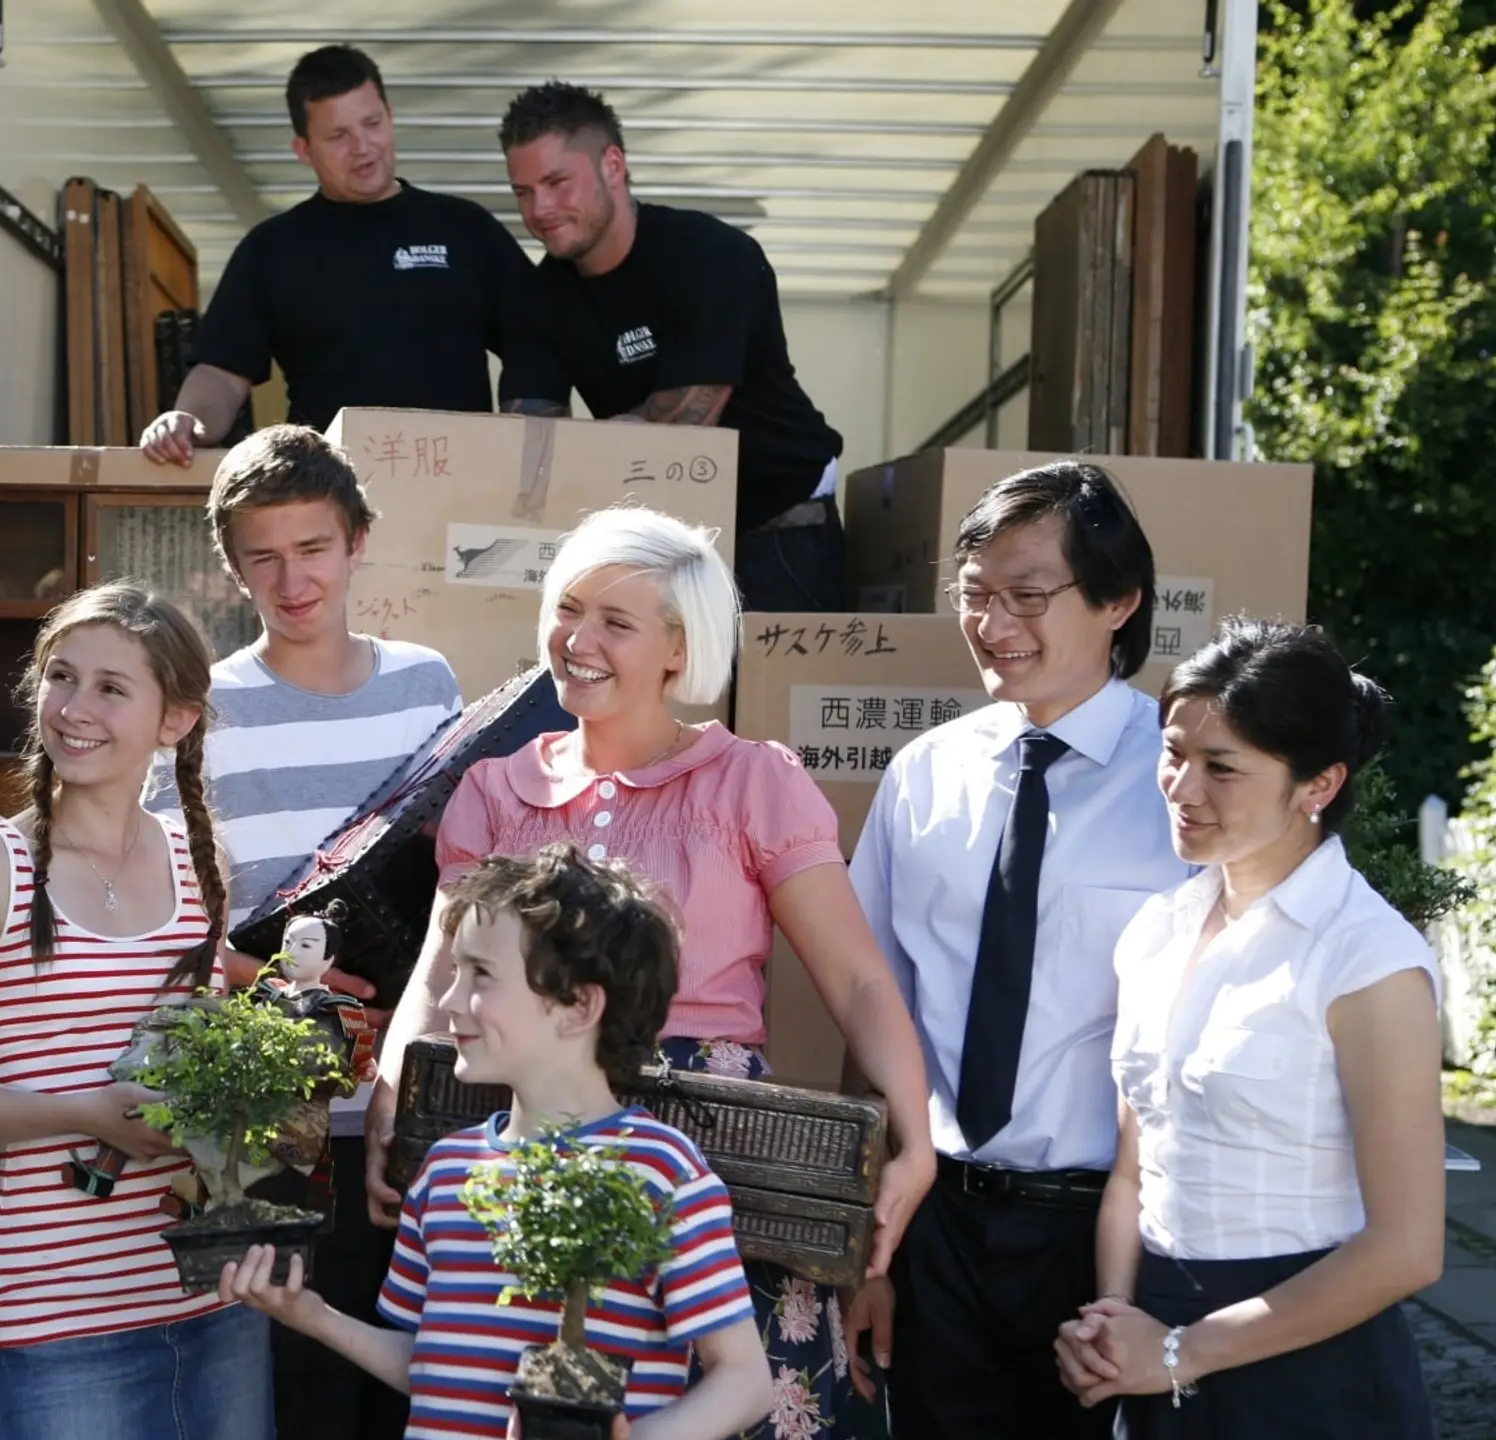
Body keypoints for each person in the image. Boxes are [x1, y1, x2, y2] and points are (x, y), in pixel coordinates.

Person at [363, 504, 937, 1439]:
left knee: (734, 1399)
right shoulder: (495, 787)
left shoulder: (753, 781)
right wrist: (397, 1089)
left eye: (616, 623)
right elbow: (440, 969)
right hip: (530, 1130)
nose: (578, 641)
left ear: (679, 647)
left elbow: (860, 981)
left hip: (721, 1146)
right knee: (526, 1389)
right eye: (569, 608)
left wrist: (914, 1140)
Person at [846, 461, 1194, 1439]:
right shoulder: (925, 776)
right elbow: (873, 1007)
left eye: (1028, 598)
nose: (995, 627)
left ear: (1118, 602)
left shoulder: (1179, 784)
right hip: (937, 1219)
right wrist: (863, 1255)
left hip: (1103, 1231)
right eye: (975, 597)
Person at [220, 844, 773, 1440]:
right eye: (455, 972)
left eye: (480, 974)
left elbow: (743, 1378)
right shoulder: (446, 1171)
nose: (451, 1000)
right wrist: (312, 1316)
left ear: (578, 1005)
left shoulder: (660, 1169)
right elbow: (435, 1365)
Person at [0, 583, 269, 1440]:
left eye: (110, 687)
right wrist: (85, 1113)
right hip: (57, 1320)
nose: (74, 709)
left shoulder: (197, 859)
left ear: (175, 720)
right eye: (61, 677)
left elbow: (204, 1070)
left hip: (215, 1292)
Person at [143, 424, 459, 1440]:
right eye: (263, 557)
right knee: (287, 1394)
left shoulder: (426, 685)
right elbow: (167, 904)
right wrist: (263, 980)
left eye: (313, 548)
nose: (292, 579)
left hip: (409, 1103)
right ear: (232, 566)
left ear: (357, 540)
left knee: (416, 1379)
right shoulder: (203, 709)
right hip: (263, 1111)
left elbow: (461, 874)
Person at [1051, 621, 1442, 1435]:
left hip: (1309, 1362)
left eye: (1222, 768)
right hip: (1155, 1340)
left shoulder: (1368, 960)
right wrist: (1114, 1322)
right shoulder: (1157, 930)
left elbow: (1407, 1248)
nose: (1183, 788)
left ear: (1318, 785)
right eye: (1173, 753)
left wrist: (1181, 1352)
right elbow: (1134, 1169)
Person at [495, 82, 847, 614]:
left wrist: (580, 450)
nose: (540, 208)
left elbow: (682, 428)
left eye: (557, 182)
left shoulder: (710, 254)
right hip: (658, 539)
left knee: (769, 699)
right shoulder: (538, 297)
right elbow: (533, 440)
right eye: (523, 191)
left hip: (780, 528)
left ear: (612, 165)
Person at [141, 48, 553, 462]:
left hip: (460, 480)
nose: (362, 147)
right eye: (338, 136)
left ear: (390, 116)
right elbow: (221, 372)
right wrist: (185, 420)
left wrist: (524, 440)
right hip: (327, 494)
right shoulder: (272, 250)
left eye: (372, 124)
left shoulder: (464, 227)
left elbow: (536, 337)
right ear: (303, 149)